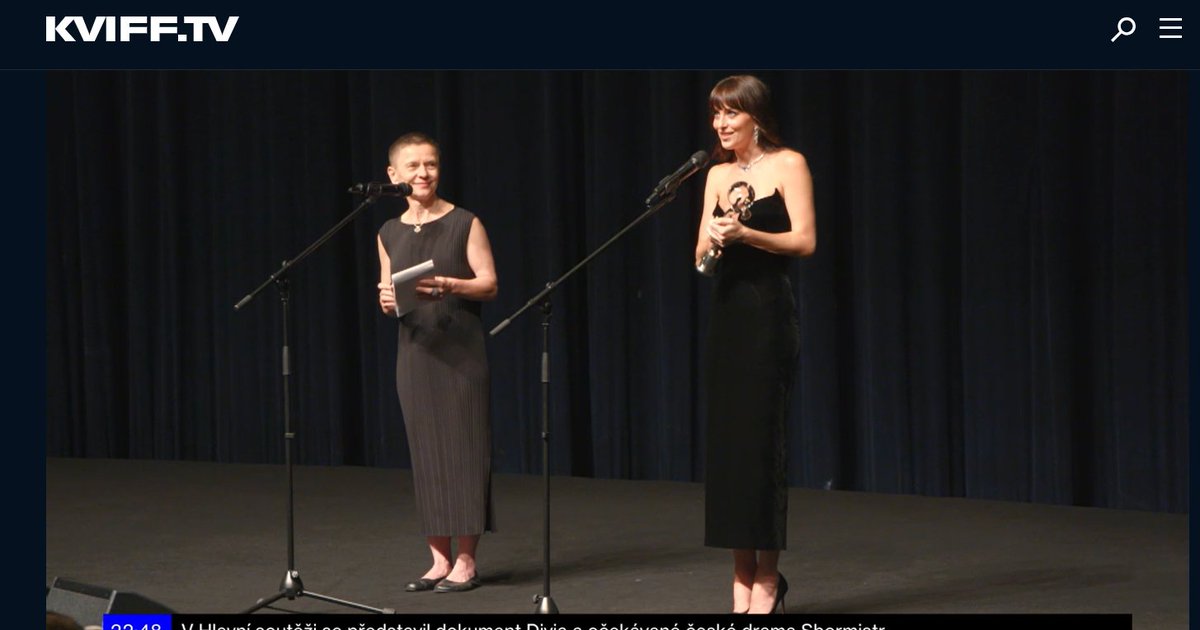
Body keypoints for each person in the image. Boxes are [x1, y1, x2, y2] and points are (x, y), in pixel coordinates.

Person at [694, 75, 816, 614]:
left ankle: (768, 576)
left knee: (762, 448)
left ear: (756, 118)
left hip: (768, 317)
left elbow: (805, 241)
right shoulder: (716, 175)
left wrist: (747, 235)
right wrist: (716, 245)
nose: (720, 124)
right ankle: (740, 573)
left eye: (731, 113)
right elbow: (699, 259)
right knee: (730, 452)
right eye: (716, 113)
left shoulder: (789, 164)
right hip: (728, 319)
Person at [376, 132, 499, 593]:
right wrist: (387, 301)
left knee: (465, 452)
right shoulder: (388, 232)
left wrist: (448, 285)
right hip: (415, 354)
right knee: (426, 454)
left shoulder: (465, 222)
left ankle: (466, 560)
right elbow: (387, 293)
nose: (423, 173)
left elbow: (489, 284)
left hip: (460, 354)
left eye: (430, 164)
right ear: (394, 174)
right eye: (413, 166)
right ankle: (437, 559)